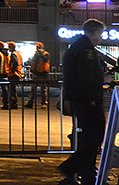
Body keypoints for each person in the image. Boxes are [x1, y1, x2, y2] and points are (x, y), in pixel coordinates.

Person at [58, 19, 107, 185]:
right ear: (93, 33)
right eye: (100, 33)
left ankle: (87, 174)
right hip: (87, 100)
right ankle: (72, 167)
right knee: (95, 136)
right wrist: (92, 97)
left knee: (89, 138)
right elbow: (86, 77)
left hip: (81, 99)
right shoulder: (86, 50)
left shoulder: (77, 47)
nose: (101, 37)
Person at [25, 42, 51, 108]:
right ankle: (30, 102)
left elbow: (45, 60)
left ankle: (44, 103)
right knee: (33, 89)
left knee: (43, 89)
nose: (37, 48)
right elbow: (33, 61)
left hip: (42, 74)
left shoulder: (46, 54)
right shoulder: (36, 54)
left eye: (38, 47)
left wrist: (40, 54)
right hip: (35, 73)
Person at [7, 41, 23, 109]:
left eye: (9, 47)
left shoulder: (13, 54)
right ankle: (14, 103)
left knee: (12, 90)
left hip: (14, 74)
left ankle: (13, 104)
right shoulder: (18, 54)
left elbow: (15, 62)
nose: (8, 48)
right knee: (13, 90)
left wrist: (12, 70)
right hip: (18, 73)